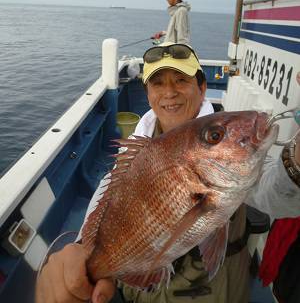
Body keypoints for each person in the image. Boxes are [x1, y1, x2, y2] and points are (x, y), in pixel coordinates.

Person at [36, 42, 300, 303]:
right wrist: (83, 250)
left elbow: (275, 195)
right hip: (141, 290)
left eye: (181, 80)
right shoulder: (139, 145)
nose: (169, 92)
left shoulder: (235, 152)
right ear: (148, 94)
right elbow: (111, 187)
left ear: (202, 88)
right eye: (157, 83)